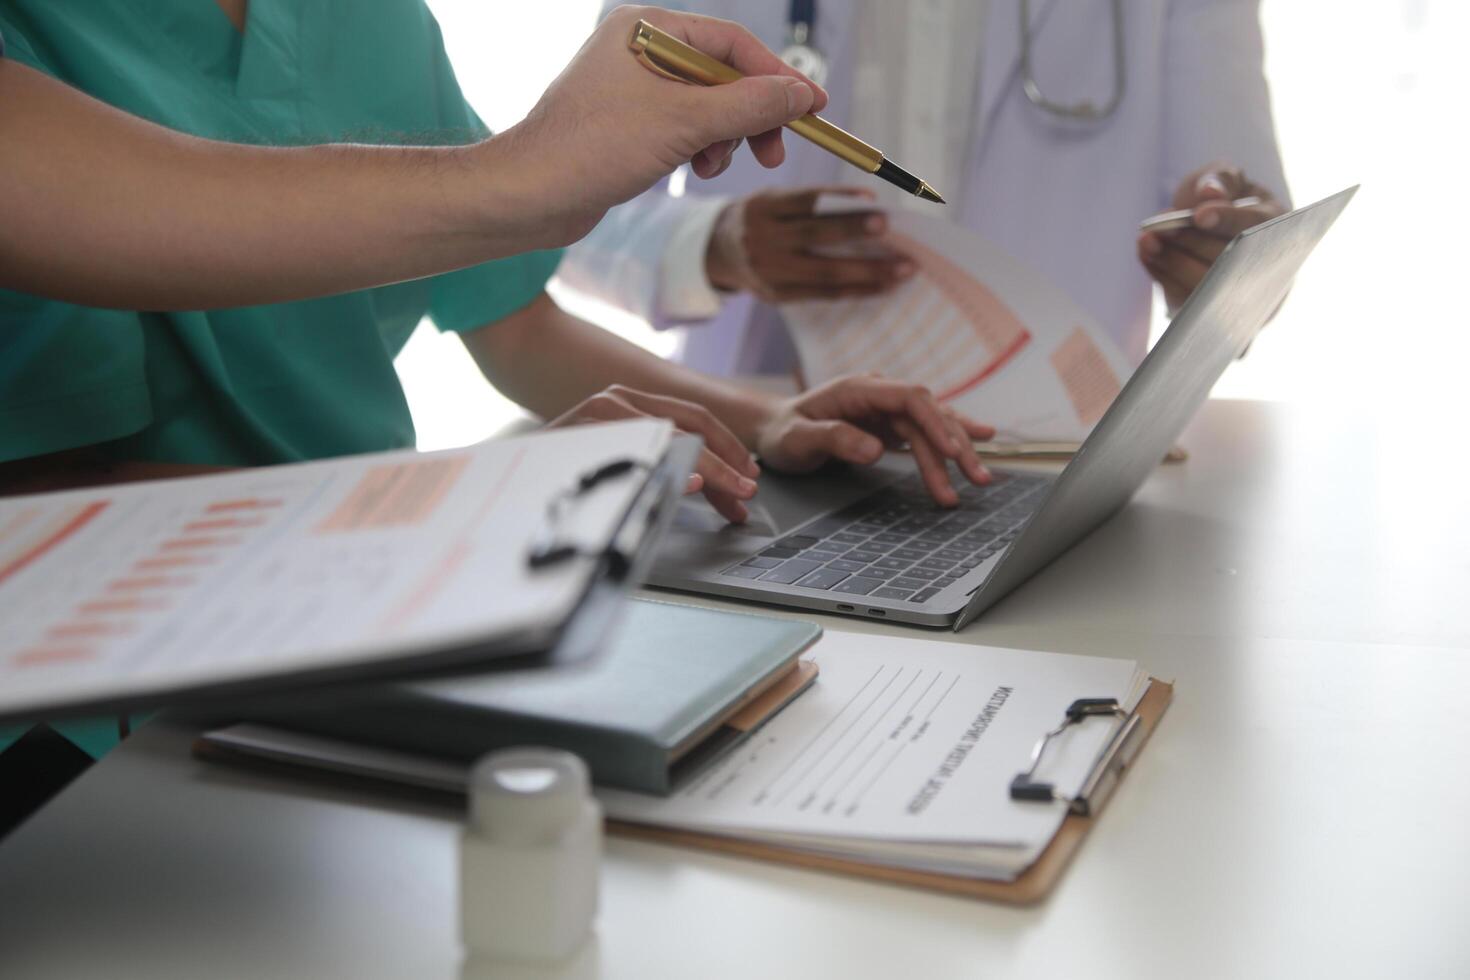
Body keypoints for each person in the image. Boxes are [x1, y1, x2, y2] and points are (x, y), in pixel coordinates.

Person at [0, 1, 993, 821]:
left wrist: (766, 421)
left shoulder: (374, 24)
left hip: (358, 640)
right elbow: (49, 508)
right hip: (101, 716)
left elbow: (513, 320)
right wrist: (458, 505)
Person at [559, 0, 1291, 374]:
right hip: (762, 437)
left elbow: (1250, 241)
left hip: (1054, 458)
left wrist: (1225, 265)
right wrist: (711, 247)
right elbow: (565, 215)